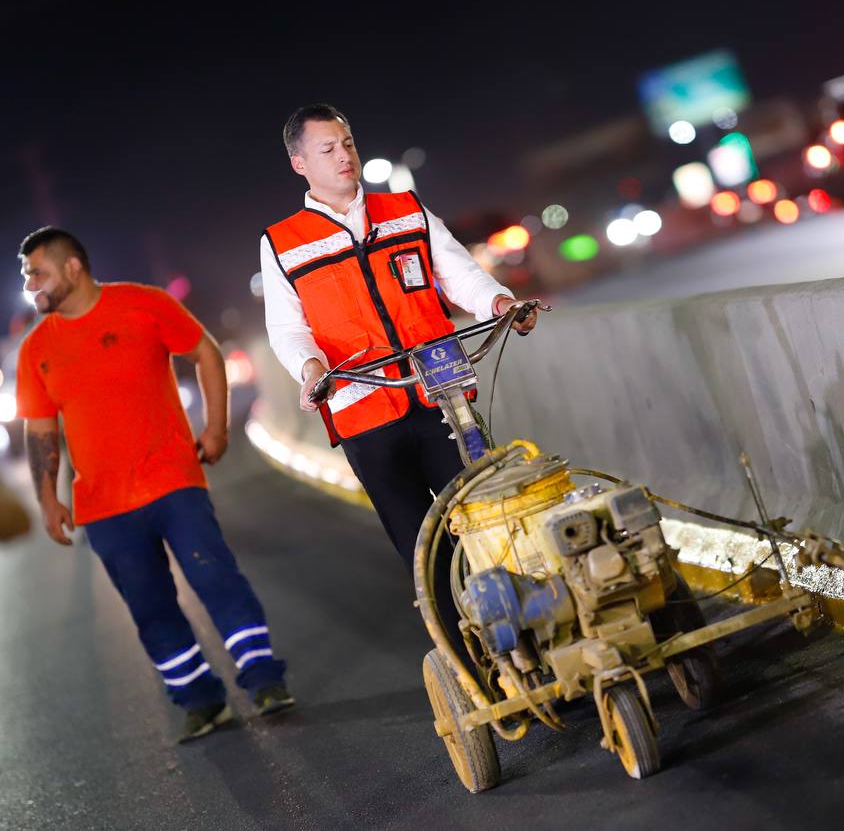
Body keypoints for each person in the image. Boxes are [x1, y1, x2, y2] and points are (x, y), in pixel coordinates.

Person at [16, 227, 294, 744]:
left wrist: (216, 428)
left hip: (172, 480)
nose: (31, 283)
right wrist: (47, 497)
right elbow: (40, 430)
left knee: (215, 578)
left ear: (73, 267)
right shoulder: (36, 350)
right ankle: (200, 701)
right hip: (102, 506)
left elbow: (206, 353)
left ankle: (263, 679)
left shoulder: (143, 304)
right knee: (149, 607)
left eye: (38, 271)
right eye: (27, 274)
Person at [260, 104, 542, 579]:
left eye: (347, 143)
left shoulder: (405, 210)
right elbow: (288, 328)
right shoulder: (282, 241)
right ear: (300, 164)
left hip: (441, 397)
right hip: (365, 417)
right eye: (327, 149)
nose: (344, 156)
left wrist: (499, 303)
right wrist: (310, 368)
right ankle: (462, 645)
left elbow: (461, 275)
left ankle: (527, 627)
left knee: (490, 519)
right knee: (425, 552)